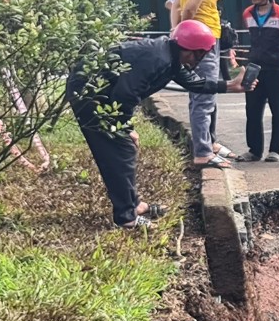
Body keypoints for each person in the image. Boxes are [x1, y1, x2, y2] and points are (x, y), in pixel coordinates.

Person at [66, 21, 247, 228]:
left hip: (105, 94)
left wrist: (230, 86)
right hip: (90, 95)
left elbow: (194, 83)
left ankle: (134, 204)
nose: (201, 60)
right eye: (201, 54)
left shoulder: (172, 56)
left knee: (124, 149)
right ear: (191, 50)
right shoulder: (158, 59)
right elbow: (125, 95)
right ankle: (126, 218)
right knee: (119, 151)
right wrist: (126, 128)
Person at [169, 0, 231, 168]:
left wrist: (177, 31)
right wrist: (185, 31)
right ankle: (203, 152)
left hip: (199, 38)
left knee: (198, 97)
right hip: (203, 39)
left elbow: (177, 4)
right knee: (204, 97)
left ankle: (204, 147)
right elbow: (189, 8)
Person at [234, 0, 279, 162]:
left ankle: (275, 150)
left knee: (277, 110)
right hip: (254, 69)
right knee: (252, 110)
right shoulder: (247, 14)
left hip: (276, 69)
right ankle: (254, 150)